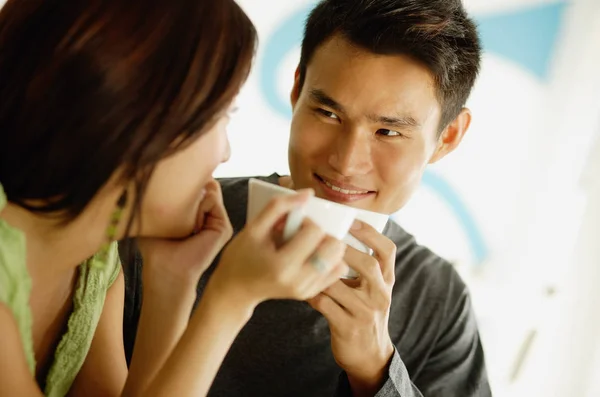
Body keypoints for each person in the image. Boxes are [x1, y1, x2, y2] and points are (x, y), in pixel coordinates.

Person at [121, 0, 493, 396]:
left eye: (388, 132)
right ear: (297, 89)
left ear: (448, 136)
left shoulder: (438, 301)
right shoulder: (175, 224)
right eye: (328, 114)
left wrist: (377, 369)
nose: (346, 163)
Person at [0, 0, 348, 396]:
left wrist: (174, 281)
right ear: (138, 120)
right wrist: (229, 301)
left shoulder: (95, 264)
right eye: (221, 116)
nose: (225, 153)